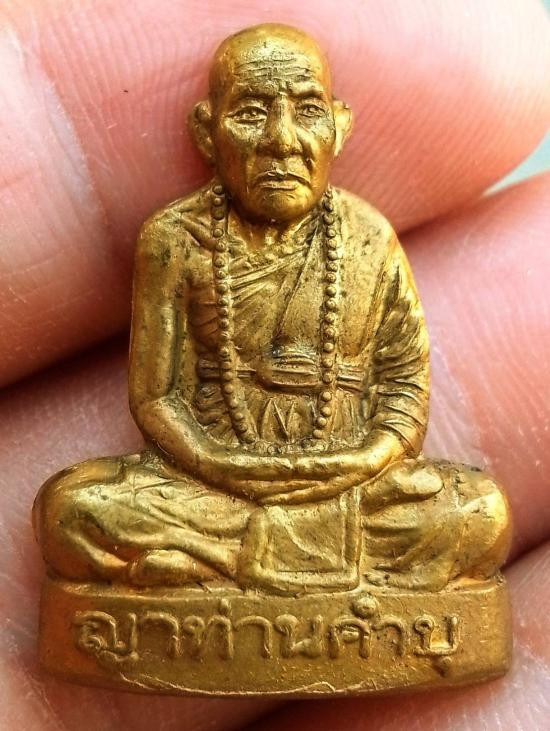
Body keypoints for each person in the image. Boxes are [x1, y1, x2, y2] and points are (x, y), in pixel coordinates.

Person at [33, 23, 510, 594]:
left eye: (307, 111)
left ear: (339, 127)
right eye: (251, 114)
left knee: (480, 512)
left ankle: (208, 563)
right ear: (207, 132)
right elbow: (157, 397)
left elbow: (404, 383)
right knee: (71, 509)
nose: (281, 140)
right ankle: (254, 560)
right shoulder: (175, 238)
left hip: (347, 484)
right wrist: (218, 463)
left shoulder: (368, 236)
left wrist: (366, 459)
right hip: (216, 485)